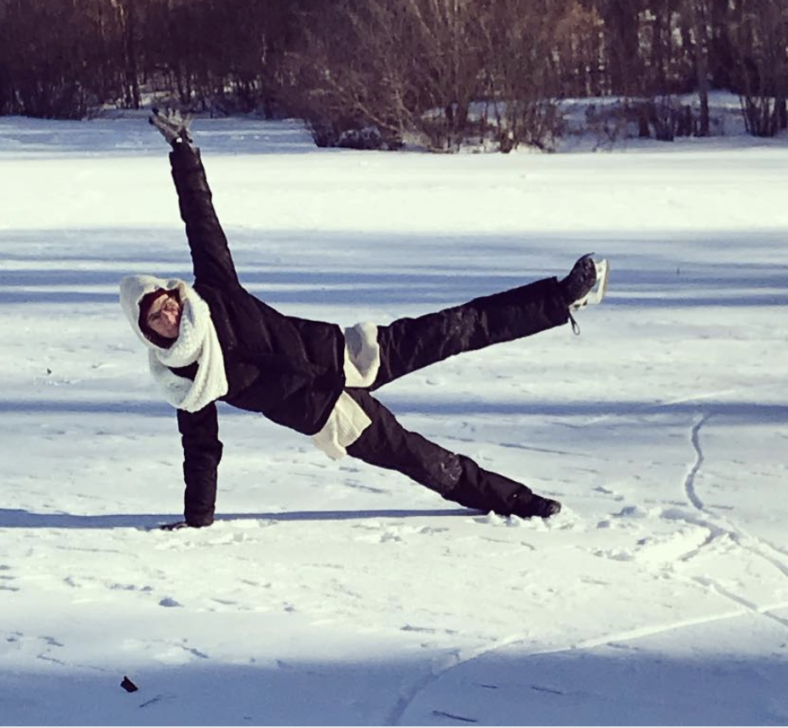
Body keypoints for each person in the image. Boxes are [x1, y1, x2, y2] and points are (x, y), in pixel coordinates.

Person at [120, 110, 609, 529]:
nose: (167, 313)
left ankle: (561, 300)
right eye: (154, 318)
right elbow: (201, 451)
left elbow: (201, 220)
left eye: (165, 301)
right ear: (149, 335)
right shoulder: (186, 385)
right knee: (425, 462)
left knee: (460, 326)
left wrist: (184, 151)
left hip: (353, 351)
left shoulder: (214, 292)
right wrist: (196, 519)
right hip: (334, 418)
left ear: (176, 294)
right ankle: (521, 503)